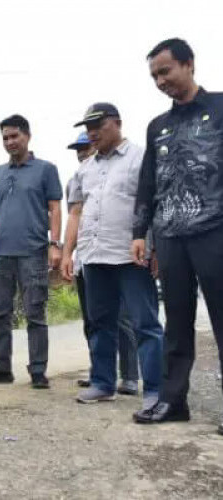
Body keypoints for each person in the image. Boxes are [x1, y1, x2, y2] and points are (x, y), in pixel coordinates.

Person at [132, 39, 223, 431]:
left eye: (165, 71)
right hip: (170, 235)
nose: (160, 80)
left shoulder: (220, 109)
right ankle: (173, 401)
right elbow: (147, 183)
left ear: (189, 64)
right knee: (177, 320)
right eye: (154, 75)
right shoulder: (158, 126)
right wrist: (141, 233)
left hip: (214, 230)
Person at [61, 103, 163, 409]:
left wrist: (154, 247)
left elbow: (154, 204)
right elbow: (76, 213)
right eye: (89, 128)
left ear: (117, 123)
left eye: (99, 127)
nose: (92, 134)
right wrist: (68, 253)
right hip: (93, 257)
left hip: (131, 255)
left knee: (145, 323)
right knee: (100, 323)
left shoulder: (141, 158)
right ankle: (103, 383)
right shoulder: (85, 169)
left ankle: (156, 390)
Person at [0, 114, 62, 389]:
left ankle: (38, 370)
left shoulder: (46, 170)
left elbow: (55, 208)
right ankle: (0, 367)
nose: (10, 142)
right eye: (5, 138)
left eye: (14, 136)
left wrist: (54, 244)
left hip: (33, 253)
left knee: (35, 313)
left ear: (27, 136)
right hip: (1, 254)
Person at [66, 133, 139, 394]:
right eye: (78, 149)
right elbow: (74, 218)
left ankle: (130, 375)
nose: (82, 152)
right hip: (87, 257)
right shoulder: (77, 179)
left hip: (116, 255)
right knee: (93, 321)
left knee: (122, 319)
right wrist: (68, 255)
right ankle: (99, 371)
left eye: (85, 147)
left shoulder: (123, 170)